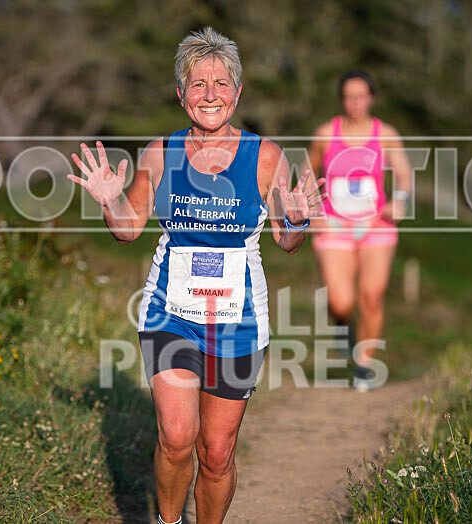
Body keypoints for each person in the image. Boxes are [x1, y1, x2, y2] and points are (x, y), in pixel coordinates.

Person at [67, 27, 325, 524]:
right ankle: (168, 522)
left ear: (238, 93)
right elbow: (127, 229)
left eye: (221, 83)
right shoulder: (160, 153)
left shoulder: (265, 157)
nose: (210, 94)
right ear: (181, 94)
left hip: (238, 322)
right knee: (177, 436)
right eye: (198, 83)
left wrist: (295, 220)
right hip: (171, 314)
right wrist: (109, 200)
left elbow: (287, 242)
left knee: (217, 452)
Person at [307, 69, 413, 392]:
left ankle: (365, 365)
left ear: (371, 98)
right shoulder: (326, 133)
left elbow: (405, 174)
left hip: (375, 225)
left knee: (372, 294)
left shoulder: (386, 134)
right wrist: (312, 211)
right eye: (349, 97)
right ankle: (343, 323)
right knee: (341, 301)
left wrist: (401, 200)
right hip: (335, 226)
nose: (355, 103)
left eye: (361, 96)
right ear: (342, 100)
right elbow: (307, 173)